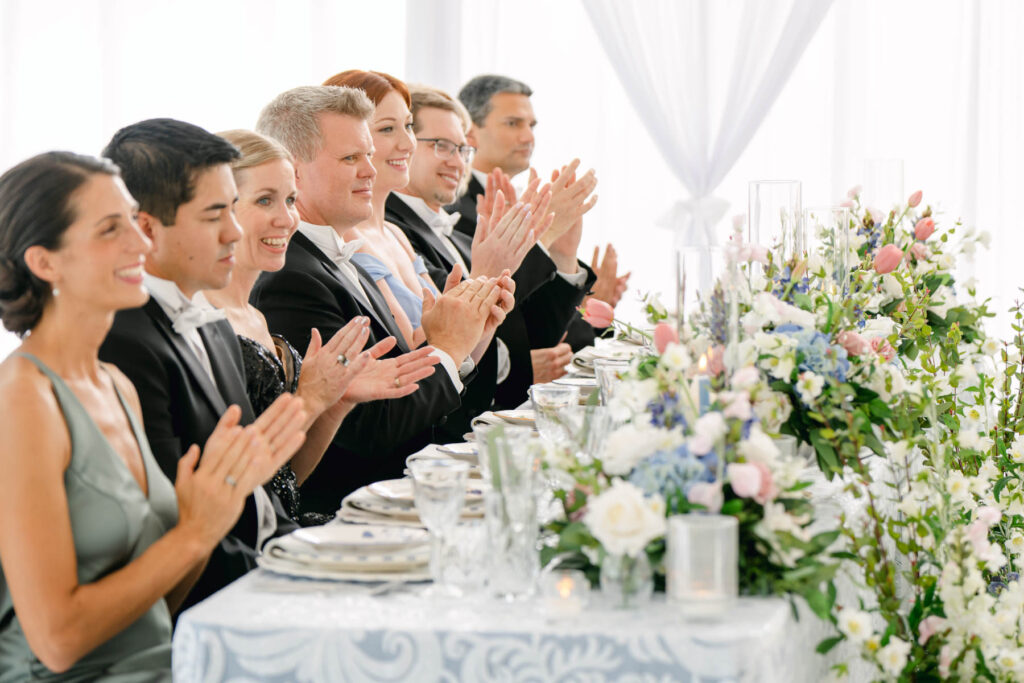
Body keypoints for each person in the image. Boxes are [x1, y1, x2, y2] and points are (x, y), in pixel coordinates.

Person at [0, 151, 306, 679]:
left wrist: (213, 512)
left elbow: (155, 612)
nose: (141, 242)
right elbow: (57, 642)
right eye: (110, 229)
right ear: (46, 263)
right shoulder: (24, 398)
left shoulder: (115, 384)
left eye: (133, 220)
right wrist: (194, 532)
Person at [252, 85, 514, 513]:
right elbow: (365, 433)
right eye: (351, 158)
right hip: (355, 514)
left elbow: (402, 389)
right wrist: (448, 348)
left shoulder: (339, 256)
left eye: (369, 155)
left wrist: (469, 337)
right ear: (294, 173)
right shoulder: (290, 279)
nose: (370, 171)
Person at [98, 118, 307, 611]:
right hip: (215, 599)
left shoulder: (213, 323)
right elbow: (174, 525)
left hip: (273, 563)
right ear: (146, 228)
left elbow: (258, 498)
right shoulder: (122, 342)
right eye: (216, 215)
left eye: (233, 209)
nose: (234, 232)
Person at [204, 129, 441, 525]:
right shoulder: (205, 321)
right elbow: (233, 489)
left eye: (290, 199)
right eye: (264, 200)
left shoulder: (255, 318)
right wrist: (310, 401)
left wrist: (336, 404)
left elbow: (287, 481)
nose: (287, 219)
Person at [388, 85, 597, 403]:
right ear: (403, 147)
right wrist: (538, 239)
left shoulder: (458, 237)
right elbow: (449, 333)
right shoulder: (392, 230)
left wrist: (562, 254)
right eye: (442, 146)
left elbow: (532, 333)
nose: (458, 163)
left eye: (462, 149)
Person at [452, 74, 631, 350]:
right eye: (513, 123)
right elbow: (507, 328)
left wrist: (565, 260)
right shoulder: (455, 210)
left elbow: (544, 330)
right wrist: (540, 241)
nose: (528, 137)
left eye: (531, 125)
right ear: (470, 132)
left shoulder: (524, 201)